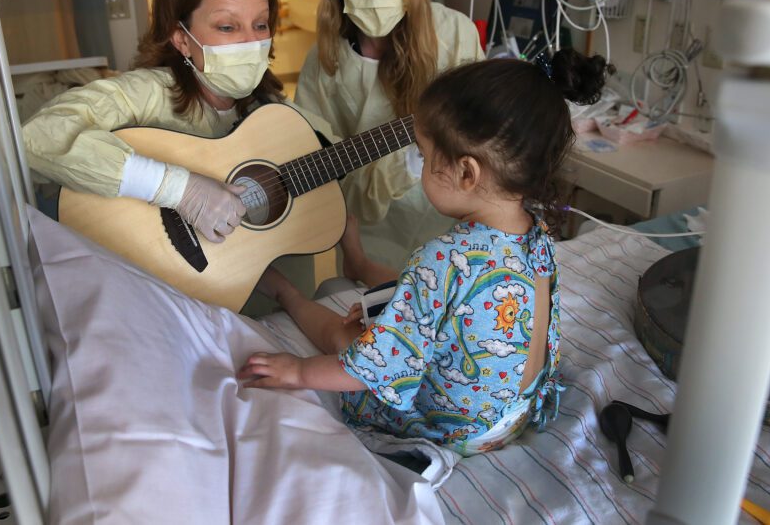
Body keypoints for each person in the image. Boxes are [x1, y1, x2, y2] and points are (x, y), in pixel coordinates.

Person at [241, 49, 613, 455]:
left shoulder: (444, 257)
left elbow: (377, 367)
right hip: (516, 412)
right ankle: (361, 264)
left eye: (424, 154)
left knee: (346, 335)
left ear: (466, 172)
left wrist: (297, 371)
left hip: (460, 431)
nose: (420, 167)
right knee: (416, 297)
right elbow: (462, 303)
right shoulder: (533, 232)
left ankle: (286, 294)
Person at [23, 0, 287, 245]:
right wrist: (178, 189)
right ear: (182, 40)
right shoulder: (147, 93)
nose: (252, 42)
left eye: (261, 24)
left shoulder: (270, 106)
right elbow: (39, 136)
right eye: (228, 26)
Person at [295, 0, 485, 275]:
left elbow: (484, 143)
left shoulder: (453, 34)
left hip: (455, 233)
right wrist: (359, 260)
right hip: (369, 239)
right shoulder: (324, 62)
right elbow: (325, 176)